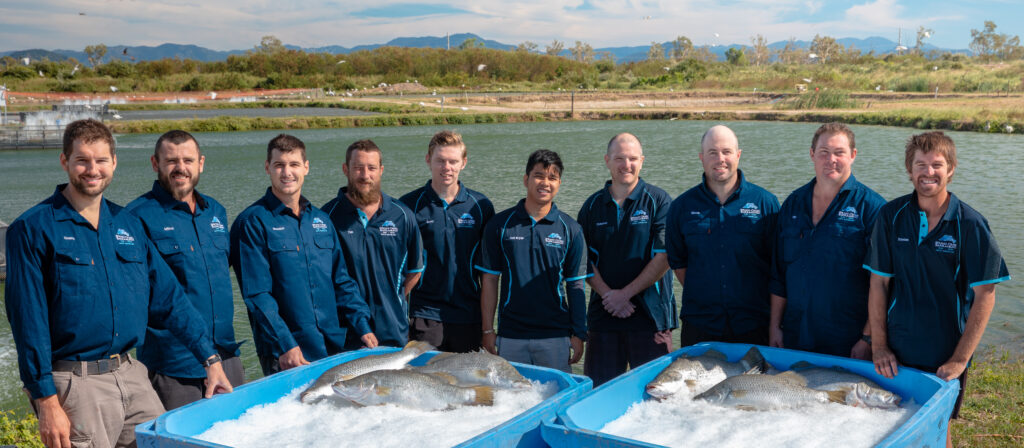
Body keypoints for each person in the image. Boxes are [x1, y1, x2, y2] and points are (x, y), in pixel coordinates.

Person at [4, 119, 232, 448]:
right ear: (65, 161)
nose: (92, 169)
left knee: (164, 442)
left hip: (131, 372)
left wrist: (209, 359)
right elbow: (28, 322)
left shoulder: (127, 224)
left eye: (101, 160)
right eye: (82, 160)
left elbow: (169, 299)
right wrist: (46, 401)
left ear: (114, 162)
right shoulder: (32, 229)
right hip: (75, 385)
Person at [864, 131, 1009, 447]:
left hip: (945, 353)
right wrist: (879, 346)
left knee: (937, 430)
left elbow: (986, 294)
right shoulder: (891, 216)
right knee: (890, 426)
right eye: (920, 164)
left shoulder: (970, 224)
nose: (928, 172)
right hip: (896, 352)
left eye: (936, 164)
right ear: (909, 169)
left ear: (951, 168)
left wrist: (960, 359)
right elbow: (878, 283)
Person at [230, 134, 376, 376]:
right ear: (268, 168)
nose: (287, 173)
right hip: (287, 354)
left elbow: (341, 281)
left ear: (306, 168)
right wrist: (285, 344)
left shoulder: (320, 220)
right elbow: (258, 295)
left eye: (294, 164)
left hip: (333, 346)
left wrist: (362, 325)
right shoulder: (252, 223)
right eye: (279, 165)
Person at [126, 130, 245, 410]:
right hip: (174, 366)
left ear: (200, 163)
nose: (181, 168)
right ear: (155, 164)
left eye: (188, 160)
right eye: (171, 161)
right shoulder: (136, 218)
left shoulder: (216, 211)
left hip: (226, 355)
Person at [769, 122, 886, 358]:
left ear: (853, 155)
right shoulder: (793, 203)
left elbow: (882, 282)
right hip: (795, 335)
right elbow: (779, 273)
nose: (831, 159)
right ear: (812, 155)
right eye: (824, 152)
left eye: (839, 152)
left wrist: (867, 338)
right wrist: (774, 326)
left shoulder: (872, 208)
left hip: (847, 340)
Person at [476, 149, 589, 373]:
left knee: (556, 398)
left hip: (556, 336)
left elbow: (575, 284)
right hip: (511, 336)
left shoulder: (571, 229)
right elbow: (489, 280)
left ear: (559, 183)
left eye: (552, 177)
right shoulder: (500, 225)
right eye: (539, 175)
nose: (545, 182)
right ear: (526, 179)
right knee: (512, 401)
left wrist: (578, 334)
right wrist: (488, 330)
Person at [666, 125, 779, 346]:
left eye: (727, 152)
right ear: (701, 158)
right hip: (700, 324)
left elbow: (778, 266)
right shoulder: (681, 207)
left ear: (738, 155)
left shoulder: (765, 203)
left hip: (754, 324)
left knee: (755, 381)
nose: (720, 159)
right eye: (712, 152)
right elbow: (679, 264)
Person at [577, 133, 675, 386]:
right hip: (604, 317)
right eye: (619, 158)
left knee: (656, 396)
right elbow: (581, 259)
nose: (626, 165)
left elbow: (664, 257)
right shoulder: (591, 206)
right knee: (598, 395)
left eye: (632, 158)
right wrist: (610, 296)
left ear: (642, 161)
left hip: (651, 319)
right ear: (607, 161)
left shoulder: (660, 201)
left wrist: (625, 294)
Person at [323, 139, 423, 349]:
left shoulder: (403, 216)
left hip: (393, 331)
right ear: (345, 169)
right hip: (345, 334)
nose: (365, 175)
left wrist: (390, 299)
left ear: (381, 170)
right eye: (358, 168)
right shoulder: (326, 218)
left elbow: (415, 271)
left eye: (371, 168)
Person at [399, 131, 494, 352]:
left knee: (465, 384)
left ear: (464, 163)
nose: (446, 167)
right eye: (440, 161)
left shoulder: (481, 206)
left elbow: (488, 272)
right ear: (428, 160)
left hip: (468, 315)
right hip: (424, 314)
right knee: (425, 382)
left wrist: (488, 327)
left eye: (453, 161)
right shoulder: (408, 206)